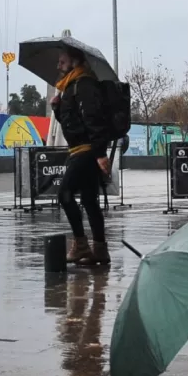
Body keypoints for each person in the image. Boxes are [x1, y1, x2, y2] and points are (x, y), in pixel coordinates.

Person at [51, 47, 111, 266]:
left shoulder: (84, 84)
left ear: (75, 61)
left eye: (62, 61)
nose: (58, 66)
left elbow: (93, 118)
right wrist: (58, 109)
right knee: (88, 200)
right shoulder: (70, 87)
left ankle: (81, 243)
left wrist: (100, 153)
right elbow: (72, 122)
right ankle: (100, 249)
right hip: (80, 149)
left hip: (86, 151)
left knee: (64, 194)